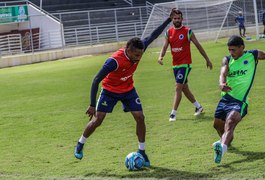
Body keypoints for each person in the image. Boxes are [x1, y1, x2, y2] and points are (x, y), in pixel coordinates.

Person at [74, 8, 175, 167]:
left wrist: (169, 20)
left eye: (140, 55)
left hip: (128, 90)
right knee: (98, 120)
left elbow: (153, 35)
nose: (138, 59)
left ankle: (142, 151)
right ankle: (80, 143)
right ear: (128, 50)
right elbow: (96, 80)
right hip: (109, 91)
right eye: (136, 56)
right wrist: (92, 105)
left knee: (140, 117)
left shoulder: (139, 49)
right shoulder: (113, 61)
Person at [212, 35, 265, 164]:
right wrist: (221, 83)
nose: (231, 53)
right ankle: (225, 141)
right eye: (229, 50)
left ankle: (222, 149)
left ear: (242, 48)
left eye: (234, 50)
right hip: (225, 99)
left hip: (240, 101)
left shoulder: (253, 55)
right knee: (217, 125)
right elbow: (223, 72)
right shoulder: (227, 59)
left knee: (230, 122)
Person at [157, 9, 213, 122]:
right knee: (184, 88)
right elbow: (165, 46)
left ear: (182, 19)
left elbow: (198, 45)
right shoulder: (168, 32)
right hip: (175, 65)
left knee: (178, 87)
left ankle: (173, 113)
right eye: (175, 18)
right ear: (172, 19)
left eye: (178, 18)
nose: (176, 20)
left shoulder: (188, 31)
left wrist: (207, 59)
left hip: (185, 64)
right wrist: (160, 56)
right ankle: (198, 106)